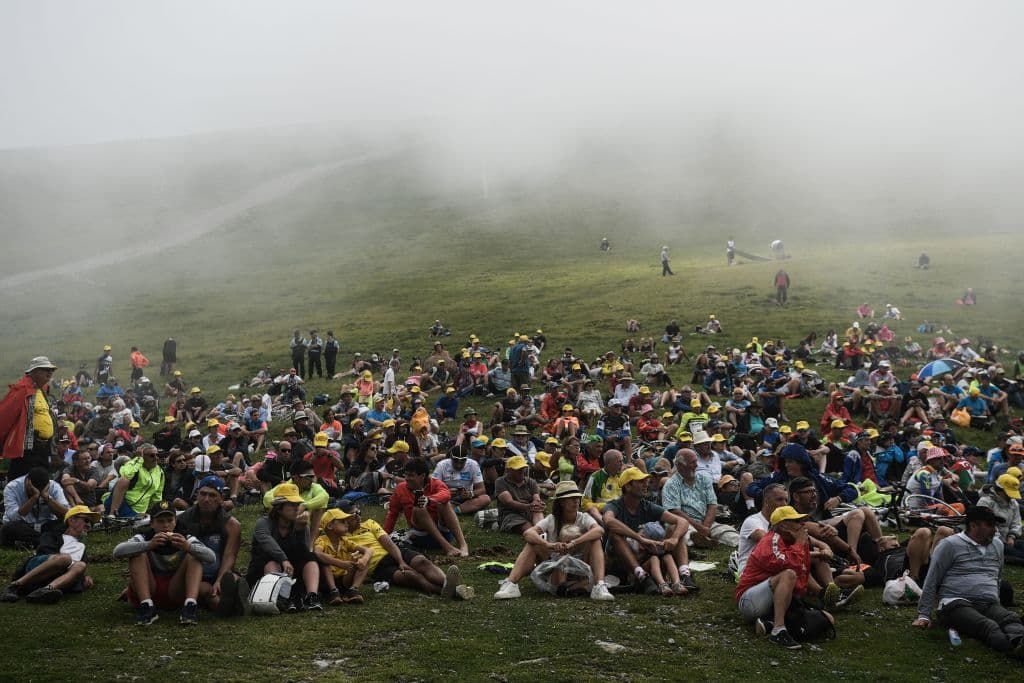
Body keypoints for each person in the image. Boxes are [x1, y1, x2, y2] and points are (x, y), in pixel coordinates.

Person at [913, 506, 1024, 656]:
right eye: (990, 525)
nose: (995, 529)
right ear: (973, 525)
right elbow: (932, 579)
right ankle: (1013, 651)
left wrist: (995, 601)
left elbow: (997, 577)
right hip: (956, 603)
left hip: (988, 603)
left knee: (1011, 619)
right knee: (988, 626)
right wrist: (924, 615)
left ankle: (1019, 642)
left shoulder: (997, 545)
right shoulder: (950, 545)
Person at [494, 481, 614, 601]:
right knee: (533, 543)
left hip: (582, 567)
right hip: (555, 566)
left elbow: (599, 530)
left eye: (577, 497)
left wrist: (574, 542)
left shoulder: (583, 518)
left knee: (595, 540)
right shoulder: (552, 520)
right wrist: (549, 545)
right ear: (561, 502)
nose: (576, 501)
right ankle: (511, 583)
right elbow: (528, 533)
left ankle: (599, 585)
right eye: (571, 498)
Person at [736, 505, 831, 650]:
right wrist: (800, 544)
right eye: (797, 521)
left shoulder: (795, 542)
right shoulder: (770, 540)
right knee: (788, 574)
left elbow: (802, 576)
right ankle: (778, 630)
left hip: (773, 601)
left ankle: (769, 624)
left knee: (828, 618)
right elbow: (786, 564)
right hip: (749, 600)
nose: (802, 524)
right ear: (783, 526)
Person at [113, 500, 215, 625]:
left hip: (176, 590)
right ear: (152, 523)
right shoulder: (144, 536)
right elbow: (117, 551)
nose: (166, 525)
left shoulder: (185, 537)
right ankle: (147, 606)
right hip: (151, 588)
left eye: (170, 520)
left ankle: (190, 605)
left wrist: (188, 547)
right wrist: (148, 545)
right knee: (137, 554)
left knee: (194, 555)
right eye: (160, 521)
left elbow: (211, 557)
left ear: (175, 521)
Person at [603, 467, 696, 596]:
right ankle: (641, 576)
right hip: (620, 563)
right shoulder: (614, 505)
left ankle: (684, 575)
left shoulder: (646, 505)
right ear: (628, 486)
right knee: (615, 534)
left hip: (646, 558)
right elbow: (608, 521)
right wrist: (639, 538)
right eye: (641, 481)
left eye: (646, 481)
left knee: (675, 529)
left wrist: (674, 538)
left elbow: (682, 521)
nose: (646, 484)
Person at [175, 475, 249, 616]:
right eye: (203, 494)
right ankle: (227, 608)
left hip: (219, 571)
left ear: (221, 498)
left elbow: (229, 555)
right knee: (205, 588)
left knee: (233, 580)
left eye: (212, 495)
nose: (206, 499)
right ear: (197, 494)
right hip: (193, 574)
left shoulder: (232, 525)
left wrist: (220, 580)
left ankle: (231, 600)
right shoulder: (182, 520)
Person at [247, 482, 323, 612]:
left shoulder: (301, 525)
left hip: (291, 571)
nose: (296, 508)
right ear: (279, 507)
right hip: (265, 569)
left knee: (310, 558)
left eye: (298, 505)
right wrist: (283, 559)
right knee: (272, 562)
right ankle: (281, 597)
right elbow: (267, 543)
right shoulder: (263, 523)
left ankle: (312, 596)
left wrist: (299, 530)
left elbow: (303, 552)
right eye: (292, 505)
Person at [1, 504, 99, 604]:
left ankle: (45, 591)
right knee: (65, 559)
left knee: (81, 565)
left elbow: (77, 567)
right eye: (86, 520)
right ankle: (15, 586)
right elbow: (45, 552)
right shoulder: (53, 535)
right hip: (39, 567)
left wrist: (84, 577)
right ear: (72, 520)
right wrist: (64, 562)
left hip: (58, 576)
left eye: (91, 523)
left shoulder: (82, 547)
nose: (89, 525)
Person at [384, 457, 470, 557]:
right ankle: (448, 548)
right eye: (406, 474)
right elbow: (392, 514)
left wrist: (429, 500)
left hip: (443, 531)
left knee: (445, 503)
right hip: (420, 536)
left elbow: (446, 494)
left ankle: (463, 545)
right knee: (418, 506)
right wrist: (383, 536)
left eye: (411, 475)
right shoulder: (401, 488)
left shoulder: (435, 483)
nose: (407, 478)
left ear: (422, 476)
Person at [661, 449, 739, 548]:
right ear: (680, 465)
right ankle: (699, 540)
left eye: (696, 461)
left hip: (706, 522)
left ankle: (704, 540)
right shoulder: (671, 484)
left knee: (727, 532)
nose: (696, 465)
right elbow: (675, 512)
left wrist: (705, 527)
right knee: (683, 531)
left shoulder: (704, 479)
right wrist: (700, 528)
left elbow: (712, 505)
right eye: (692, 463)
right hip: (682, 523)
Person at [0, 356, 59, 479]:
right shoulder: (21, 391)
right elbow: (4, 417)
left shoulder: (42, 390)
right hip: (27, 448)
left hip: (44, 448)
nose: (50, 372)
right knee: (22, 481)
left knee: (41, 482)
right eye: (45, 369)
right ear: (33, 372)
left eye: (51, 370)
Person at [262, 461, 330, 547]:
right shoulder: (285, 486)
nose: (313, 480)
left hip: (304, 523)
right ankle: (277, 540)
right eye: (309, 477)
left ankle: (310, 545)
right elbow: (267, 498)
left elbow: (324, 496)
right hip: (286, 522)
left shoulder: (313, 487)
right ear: (296, 478)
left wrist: (305, 505)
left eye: (313, 476)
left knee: (320, 508)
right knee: (276, 507)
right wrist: (285, 504)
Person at [314, 508, 371, 605]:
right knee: (324, 561)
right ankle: (333, 592)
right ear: (330, 526)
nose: (347, 524)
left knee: (365, 559)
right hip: (326, 581)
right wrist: (341, 563)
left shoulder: (344, 541)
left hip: (344, 579)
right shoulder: (322, 540)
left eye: (346, 521)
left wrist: (364, 559)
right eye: (342, 522)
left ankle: (353, 590)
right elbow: (318, 553)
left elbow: (368, 550)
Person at [2, 466, 70, 548]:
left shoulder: (53, 486)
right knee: (8, 528)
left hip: (46, 524)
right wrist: (34, 497)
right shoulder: (12, 487)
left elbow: (67, 514)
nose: (37, 492)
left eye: (40, 490)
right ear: (27, 481)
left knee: (67, 523)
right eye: (32, 490)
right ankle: (48, 541)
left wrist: (47, 498)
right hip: (24, 526)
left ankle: (36, 542)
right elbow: (13, 517)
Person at [105, 444, 166, 519]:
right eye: (152, 455)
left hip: (138, 510)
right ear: (143, 456)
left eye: (157, 455)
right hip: (121, 503)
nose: (156, 458)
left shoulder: (160, 472)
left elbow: (157, 495)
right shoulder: (134, 463)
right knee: (124, 480)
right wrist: (139, 459)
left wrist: (153, 511)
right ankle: (112, 515)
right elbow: (126, 475)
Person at [432, 448, 491, 515]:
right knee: (437, 502)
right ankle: (461, 510)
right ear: (451, 458)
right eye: (456, 462)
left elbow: (482, 489)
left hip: (468, 499)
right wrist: (447, 492)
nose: (458, 465)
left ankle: (454, 511)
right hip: (448, 498)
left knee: (486, 499)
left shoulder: (473, 464)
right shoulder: (441, 465)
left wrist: (470, 493)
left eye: (462, 462)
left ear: (466, 459)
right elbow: (433, 488)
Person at [495, 455, 543, 535]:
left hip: (529, 511)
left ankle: (541, 534)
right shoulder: (500, 481)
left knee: (537, 511)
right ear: (508, 470)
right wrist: (529, 506)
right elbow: (509, 503)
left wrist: (538, 504)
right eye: (518, 469)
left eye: (523, 468)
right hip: (510, 514)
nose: (522, 471)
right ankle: (538, 537)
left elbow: (536, 498)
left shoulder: (531, 482)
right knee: (529, 528)